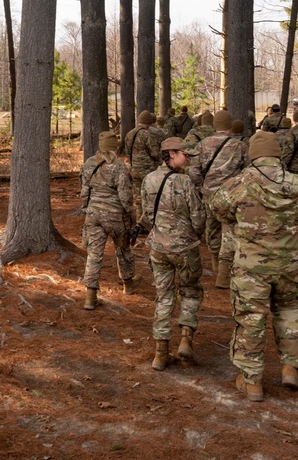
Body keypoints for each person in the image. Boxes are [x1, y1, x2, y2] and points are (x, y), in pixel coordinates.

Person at [209, 131, 298, 402]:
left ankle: (252, 381)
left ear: (253, 156)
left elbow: (216, 208)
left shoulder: (238, 184)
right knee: (290, 309)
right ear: (277, 155)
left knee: (250, 318)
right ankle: (290, 366)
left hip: (251, 268)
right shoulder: (297, 183)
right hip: (289, 265)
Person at [140, 137, 206, 369]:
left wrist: (160, 232)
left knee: (164, 296)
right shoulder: (185, 182)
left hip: (159, 248)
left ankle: (160, 353)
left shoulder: (148, 180)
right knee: (190, 291)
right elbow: (198, 217)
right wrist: (195, 234)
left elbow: (147, 214)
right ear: (170, 154)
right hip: (186, 248)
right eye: (183, 154)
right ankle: (186, 339)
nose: (187, 158)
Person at [188, 109, 248, 288]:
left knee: (211, 227)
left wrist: (201, 186)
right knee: (229, 232)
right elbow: (247, 170)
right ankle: (224, 272)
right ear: (230, 126)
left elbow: (194, 171)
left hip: (209, 194)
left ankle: (214, 258)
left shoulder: (203, 144)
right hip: (231, 196)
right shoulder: (239, 146)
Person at [79, 131, 137, 310]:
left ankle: (90, 296)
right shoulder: (119, 166)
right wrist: (130, 213)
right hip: (114, 215)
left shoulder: (89, 163)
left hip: (94, 214)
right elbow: (125, 195)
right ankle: (128, 283)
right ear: (115, 146)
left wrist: (85, 208)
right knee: (123, 248)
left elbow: (84, 190)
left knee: (94, 254)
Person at [124, 110, 167, 222]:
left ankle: (140, 222)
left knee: (138, 199)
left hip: (134, 169)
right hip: (148, 171)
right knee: (152, 196)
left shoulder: (129, 134)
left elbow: (127, 153)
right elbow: (155, 153)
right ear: (148, 122)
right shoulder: (146, 134)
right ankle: (151, 222)